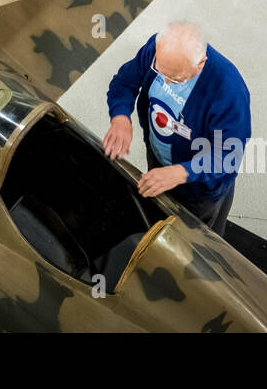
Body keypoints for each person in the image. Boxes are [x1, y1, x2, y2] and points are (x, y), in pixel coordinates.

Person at [102, 21, 250, 237]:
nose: (167, 83)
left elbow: (228, 157)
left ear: (201, 63)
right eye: (161, 73)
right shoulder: (158, 49)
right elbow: (124, 82)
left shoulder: (228, 91)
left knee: (197, 237)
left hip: (199, 187)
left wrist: (181, 173)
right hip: (160, 156)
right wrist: (120, 116)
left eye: (176, 78)